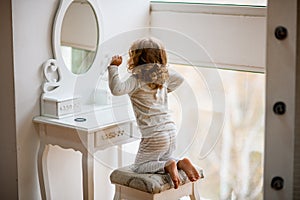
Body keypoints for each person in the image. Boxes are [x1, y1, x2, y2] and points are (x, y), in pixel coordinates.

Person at [107, 37, 200, 189]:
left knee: (140, 166)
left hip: (154, 134)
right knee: (162, 157)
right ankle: (179, 163)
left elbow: (117, 89)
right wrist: (164, 90)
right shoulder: (163, 78)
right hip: (170, 131)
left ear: (136, 59)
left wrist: (113, 67)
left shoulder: (136, 79)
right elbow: (180, 79)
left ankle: (169, 165)